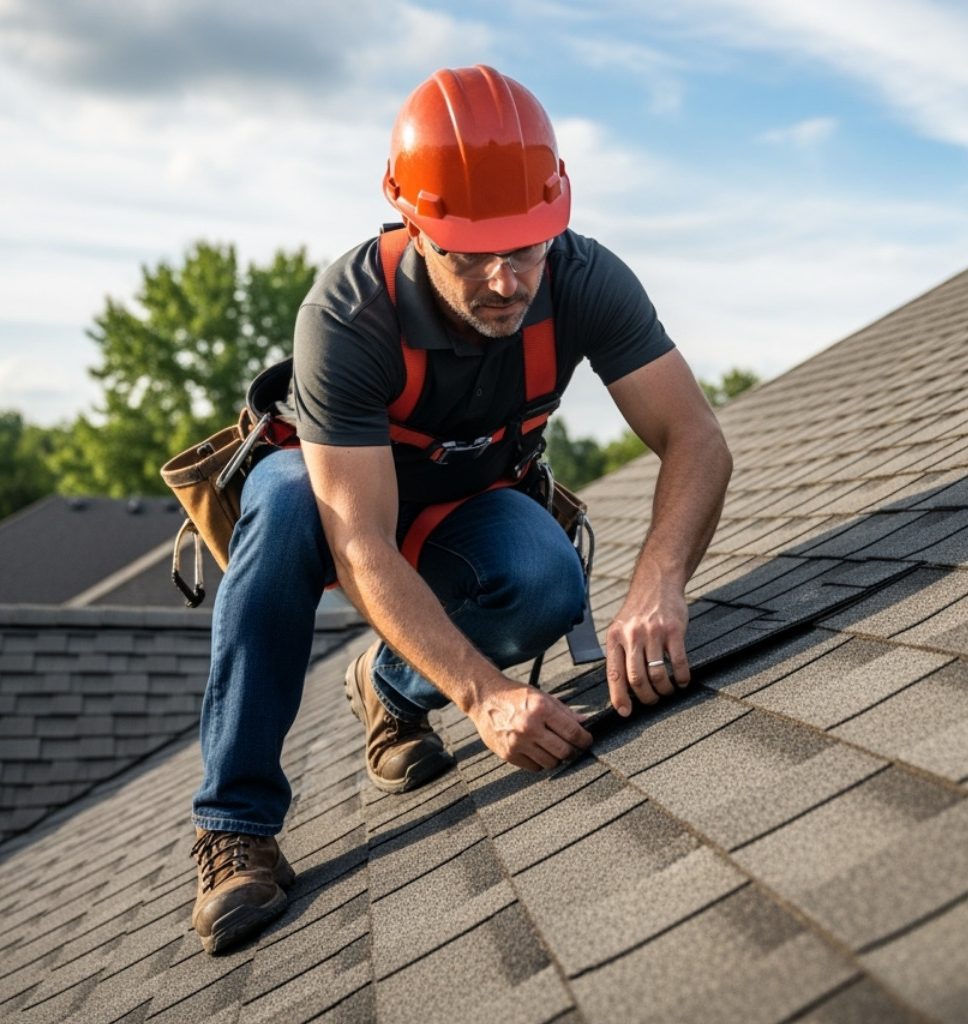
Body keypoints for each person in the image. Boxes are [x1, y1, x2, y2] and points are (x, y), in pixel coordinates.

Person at [188, 65, 732, 955]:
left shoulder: (584, 278)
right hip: (347, 515)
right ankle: (234, 825)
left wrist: (658, 584)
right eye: (469, 255)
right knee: (285, 500)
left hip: (460, 515)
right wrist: (484, 697)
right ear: (415, 224)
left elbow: (697, 438)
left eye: (524, 249)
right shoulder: (349, 315)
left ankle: (389, 689)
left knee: (547, 578)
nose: (505, 281)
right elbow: (357, 539)